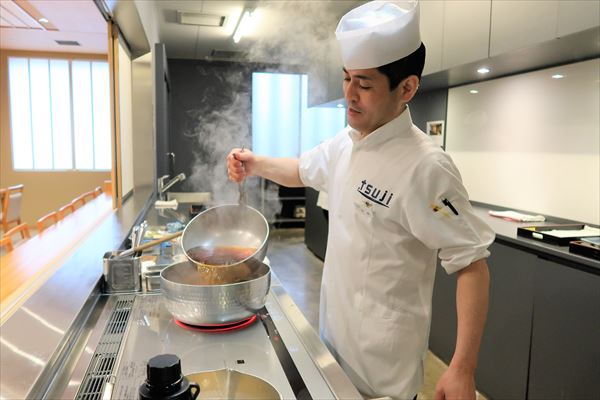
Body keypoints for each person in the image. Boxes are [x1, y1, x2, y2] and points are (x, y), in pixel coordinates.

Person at [227, 1, 495, 399]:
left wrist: (462, 368)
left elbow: (472, 265)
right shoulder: (346, 142)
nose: (350, 94)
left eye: (365, 85)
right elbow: (301, 170)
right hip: (332, 349)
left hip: (384, 372)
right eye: (347, 78)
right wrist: (254, 164)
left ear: (407, 88)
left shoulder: (426, 167)